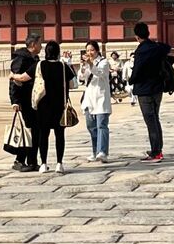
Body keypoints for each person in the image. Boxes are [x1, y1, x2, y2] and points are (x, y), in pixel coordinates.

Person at [128, 21, 171, 161]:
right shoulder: (156, 47)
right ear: (148, 33)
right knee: (155, 118)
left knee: (150, 120)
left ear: (136, 36)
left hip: (144, 89)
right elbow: (167, 47)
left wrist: (131, 80)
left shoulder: (140, 51)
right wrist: (154, 43)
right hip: (157, 88)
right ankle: (157, 147)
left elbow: (137, 70)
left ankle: (156, 151)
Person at [32, 40, 76, 174]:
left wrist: (14, 76)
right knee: (59, 135)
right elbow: (73, 84)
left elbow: (27, 77)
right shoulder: (63, 66)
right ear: (57, 52)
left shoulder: (40, 64)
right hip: (59, 105)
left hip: (43, 105)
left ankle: (44, 164)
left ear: (46, 52)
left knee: (43, 135)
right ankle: (59, 163)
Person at [9, 33, 42, 171]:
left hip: (34, 99)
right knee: (28, 130)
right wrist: (15, 101)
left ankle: (32, 160)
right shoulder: (21, 59)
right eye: (40, 43)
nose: (42, 46)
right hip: (24, 101)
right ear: (33, 44)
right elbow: (14, 81)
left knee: (35, 130)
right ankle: (20, 159)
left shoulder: (35, 58)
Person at [78, 40, 112, 162]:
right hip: (89, 99)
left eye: (92, 50)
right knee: (91, 126)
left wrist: (91, 65)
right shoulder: (87, 64)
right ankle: (95, 151)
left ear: (97, 50)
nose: (89, 52)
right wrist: (83, 67)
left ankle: (102, 151)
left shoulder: (104, 62)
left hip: (101, 98)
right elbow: (81, 78)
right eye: (87, 50)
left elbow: (99, 73)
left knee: (101, 125)